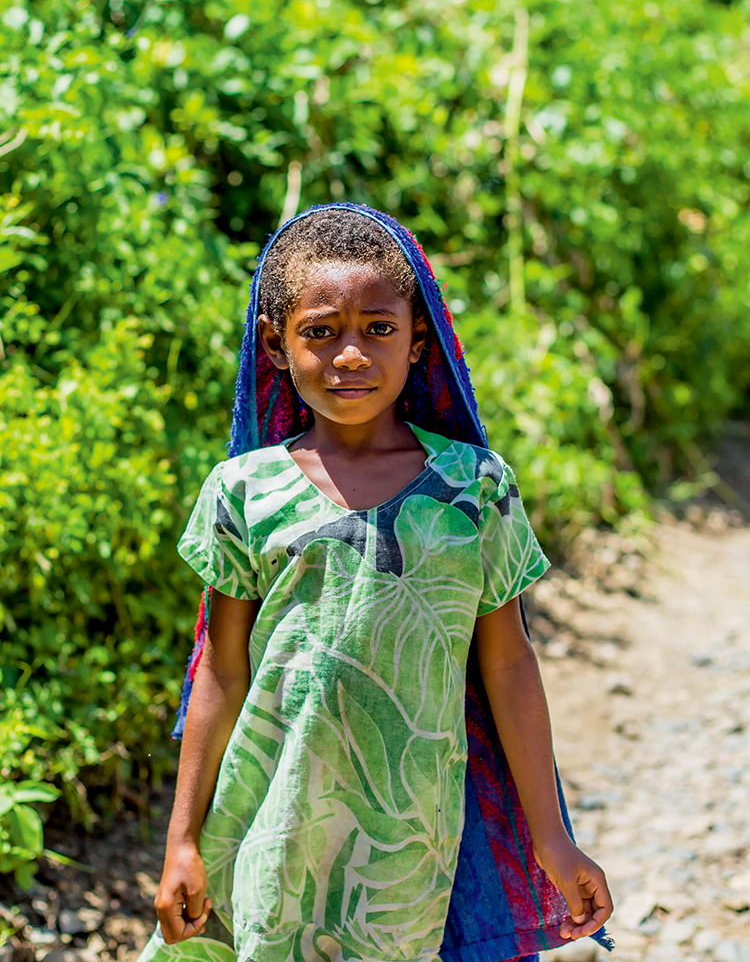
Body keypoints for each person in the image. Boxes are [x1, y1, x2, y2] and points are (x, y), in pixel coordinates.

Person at [138, 202, 613, 962]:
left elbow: (507, 662)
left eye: (379, 328)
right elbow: (220, 671)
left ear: (418, 340)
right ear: (276, 343)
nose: (350, 354)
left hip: (406, 843)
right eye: (320, 331)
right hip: (269, 817)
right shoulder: (243, 492)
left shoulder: (474, 489)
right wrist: (183, 841)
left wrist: (552, 838)